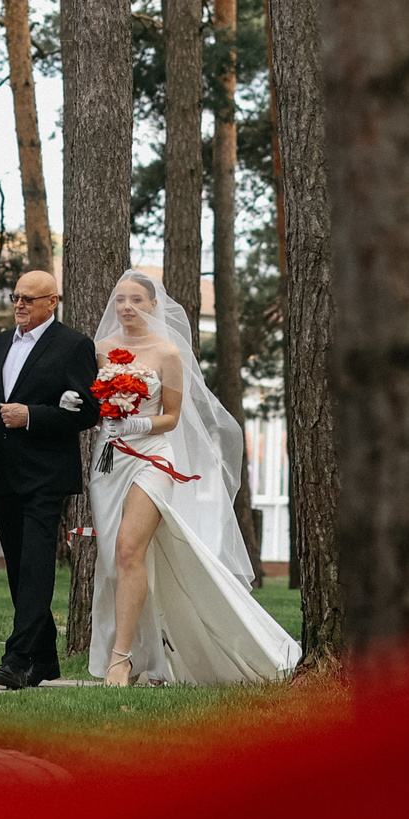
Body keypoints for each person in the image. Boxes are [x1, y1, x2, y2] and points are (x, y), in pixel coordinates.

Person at [86, 272, 301, 686]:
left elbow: (170, 416)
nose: (127, 307)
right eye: (120, 300)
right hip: (110, 459)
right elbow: (90, 401)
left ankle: (120, 659)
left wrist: (140, 425)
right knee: (117, 562)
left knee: (130, 550)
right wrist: (84, 407)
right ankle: (156, 650)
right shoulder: (100, 350)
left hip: (152, 457)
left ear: (153, 305)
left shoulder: (167, 353)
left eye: (136, 299)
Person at [0, 269, 100, 689]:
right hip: (5, 471)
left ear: (53, 302)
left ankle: (16, 659)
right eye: (16, 297)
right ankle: (45, 660)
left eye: (29, 299)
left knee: (35, 565)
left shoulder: (73, 346)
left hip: (48, 474)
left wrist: (31, 415)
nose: (19, 304)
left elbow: (88, 411)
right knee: (17, 567)